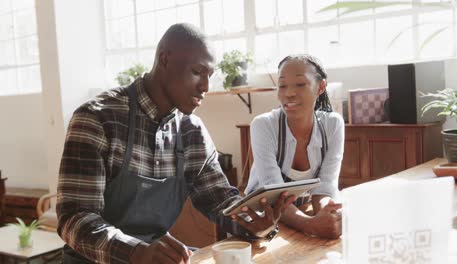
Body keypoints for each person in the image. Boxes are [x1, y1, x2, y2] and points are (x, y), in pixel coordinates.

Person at [56, 23, 295, 264]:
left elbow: (220, 200)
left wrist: (255, 224)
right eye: (197, 72)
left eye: (209, 76)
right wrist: (135, 252)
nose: (206, 87)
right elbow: (75, 218)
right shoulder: (98, 118)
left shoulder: (191, 130)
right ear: (165, 59)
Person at [245, 54, 344, 239]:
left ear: (321, 87)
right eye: (282, 86)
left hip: (299, 214)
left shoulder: (333, 125)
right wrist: (310, 224)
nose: (289, 93)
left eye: (300, 84)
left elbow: (326, 185)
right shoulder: (263, 126)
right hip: (259, 223)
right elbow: (274, 196)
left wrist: (326, 214)